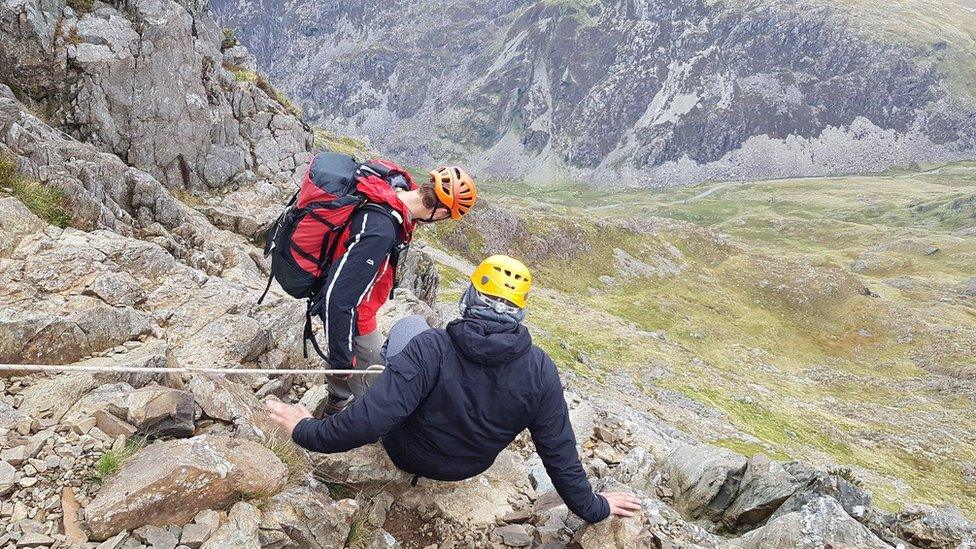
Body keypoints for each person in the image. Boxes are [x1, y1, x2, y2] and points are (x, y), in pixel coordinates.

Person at [267, 255, 642, 524]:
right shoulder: (541, 371)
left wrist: (304, 430)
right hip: (467, 468)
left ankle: (391, 378)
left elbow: (367, 425)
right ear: (520, 312)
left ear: (470, 297)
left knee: (409, 326)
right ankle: (397, 381)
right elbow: (560, 455)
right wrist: (596, 507)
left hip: (406, 452)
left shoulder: (431, 347)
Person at [316, 166, 477, 416]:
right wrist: (341, 359)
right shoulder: (381, 229)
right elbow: (339, 296)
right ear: (441, 211)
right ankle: (351, 431)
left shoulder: (394, 195)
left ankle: (335, 403)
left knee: (348, 366)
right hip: (358, 319)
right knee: (376, 395)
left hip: (355, 313)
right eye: (447, 216)